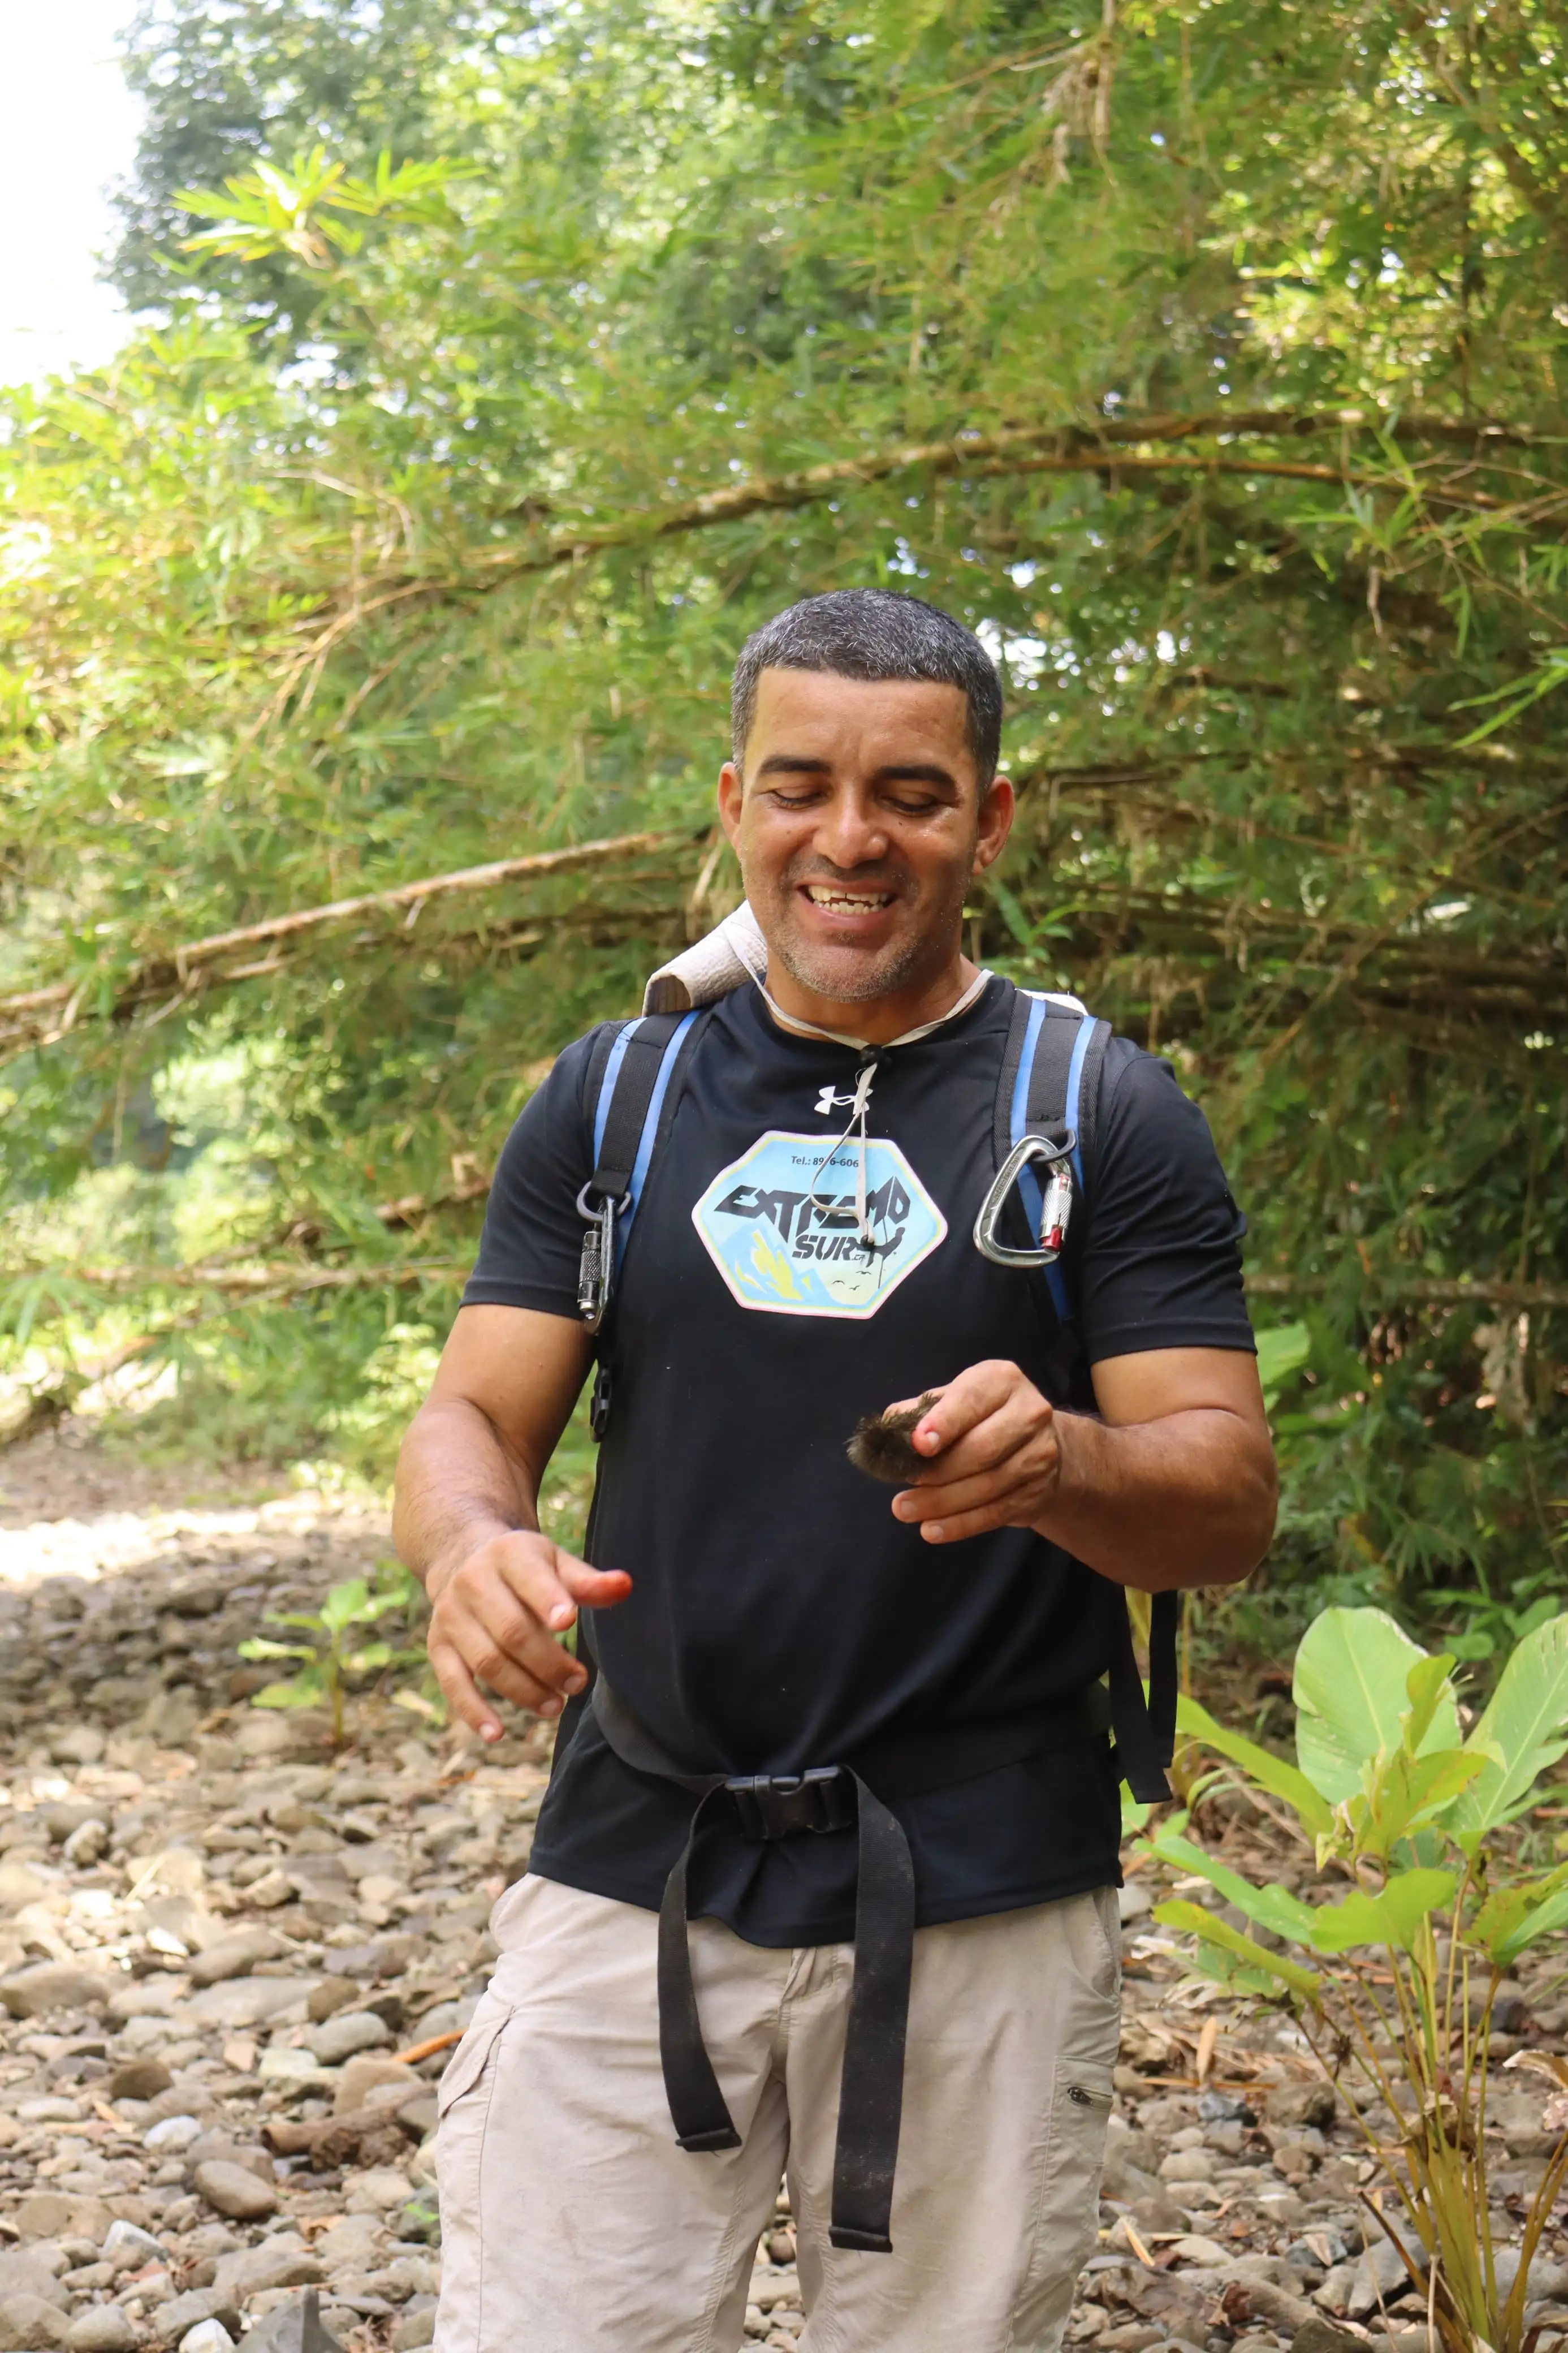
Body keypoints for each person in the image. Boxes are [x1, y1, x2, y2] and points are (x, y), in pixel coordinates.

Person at [393, 588, 1277, 2353]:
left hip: (981, 1887)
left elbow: (1225, 1499)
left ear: (990, 819)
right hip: (636, 1848)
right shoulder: (618, 1092)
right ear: (732, 801)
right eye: (799, 786)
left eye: (911, 795)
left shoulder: (1094, 1110)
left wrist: (1065, 1464)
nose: (848, 839)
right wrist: (467, 1549)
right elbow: (473, 1420)